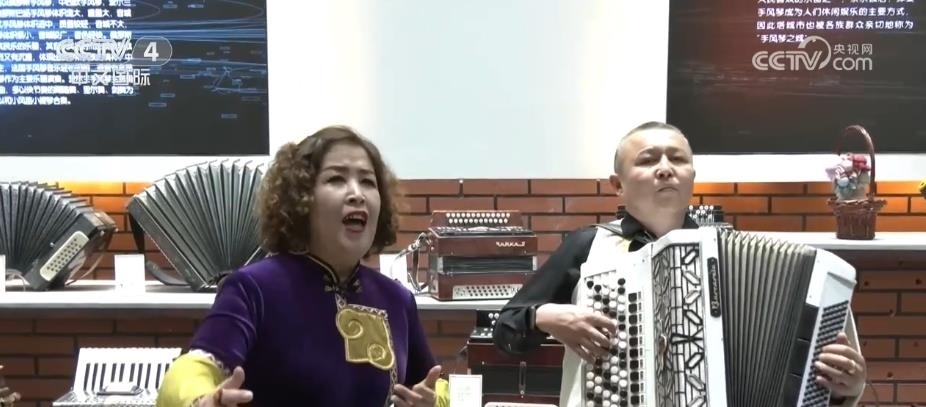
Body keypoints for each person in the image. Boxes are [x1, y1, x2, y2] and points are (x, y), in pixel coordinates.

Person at [491, 121, 867, 406]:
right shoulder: (588, 246)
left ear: (692, 177)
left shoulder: (730, 254)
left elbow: (809, 380)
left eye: (678, 159)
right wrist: (545, 317)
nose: (665, 168)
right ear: (617, 185)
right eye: (647, 160)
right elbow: (505, 330)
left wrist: (845, 387)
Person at [156, 126, 449, 406]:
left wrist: (433, 402)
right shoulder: (255, 288)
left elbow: (435, 386)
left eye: (368, 182)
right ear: (302, 200)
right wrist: (203, 400)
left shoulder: (396, 299)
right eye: (336, 179)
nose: (357, 194)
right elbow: (192, 369)